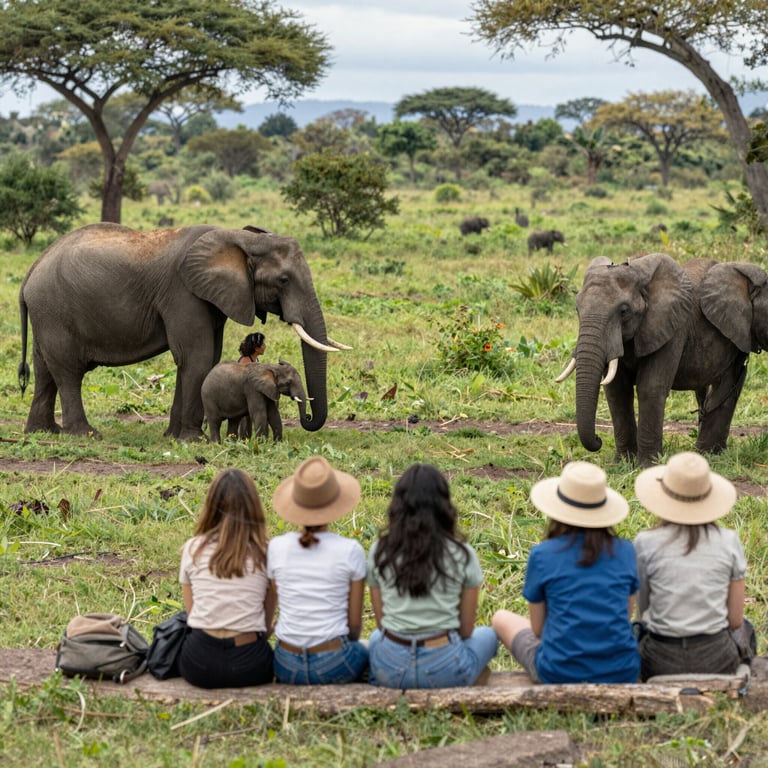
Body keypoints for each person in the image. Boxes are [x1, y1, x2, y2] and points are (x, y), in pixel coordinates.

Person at [492, 461, 640, 684]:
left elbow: (538, 629)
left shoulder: (542, 554)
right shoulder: (626, 550)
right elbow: (626, 615)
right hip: (622, 671)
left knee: (500, 618)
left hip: (558, 671)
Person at [367, 463, 498, 688]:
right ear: (444, 506)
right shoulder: (463, 553)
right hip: (445, 665)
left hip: (389, 668)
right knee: (488, 635)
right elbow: (466, 630)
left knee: (374, 639)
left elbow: (382, 625)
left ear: (398, 506)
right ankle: (466, 675)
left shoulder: (379, 550)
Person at [633, 451, 755, 680]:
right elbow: (735, 620)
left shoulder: (645, 542)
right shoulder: (729, 541)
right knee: (746, 629)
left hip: (659, 659)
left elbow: (644, 609)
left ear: (664, 496)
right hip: (716, 659)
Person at [268, 456, 369, 684]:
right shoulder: (350, 550)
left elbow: (278, 607)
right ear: (336, 502)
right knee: (372, 649)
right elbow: (354, 627)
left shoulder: (276, 547)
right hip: (333, 662)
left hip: (286, 664)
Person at [177, 468, 275, 688]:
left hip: (198, 662)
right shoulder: (267, 552)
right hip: (249, 665)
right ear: (254, 507)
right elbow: (265, 627)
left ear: (210, 505)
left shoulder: (193, 548)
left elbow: (193, 616)